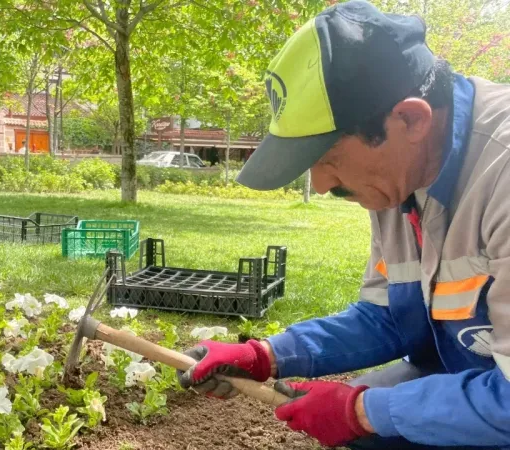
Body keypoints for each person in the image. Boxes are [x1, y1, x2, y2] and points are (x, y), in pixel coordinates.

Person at [177, 2, 510, 449]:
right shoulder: (399, 178)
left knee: (368, 414)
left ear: (411, 119)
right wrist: (268, 355)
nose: (321, 183)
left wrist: (360, 411)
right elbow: (389, 316)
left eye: (329, 160)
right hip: (467, 377)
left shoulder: (500, 174)